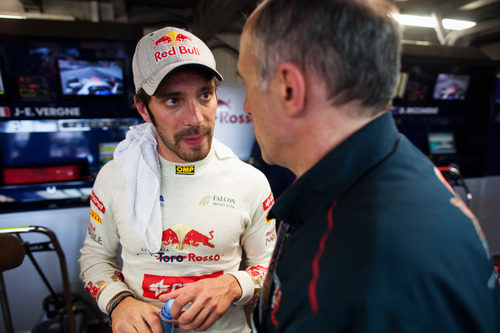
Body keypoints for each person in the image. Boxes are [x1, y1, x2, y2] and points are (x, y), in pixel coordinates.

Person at [237, 0, 500, 332]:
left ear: (289, 88)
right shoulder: (398, 172)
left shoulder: (351, 280)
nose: (246, 106)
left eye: (247, 82)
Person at [79, 26, 276, 333]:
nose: (196, 119)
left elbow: (272, 269)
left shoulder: (249, 181)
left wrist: (234, 284)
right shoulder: (116, 177)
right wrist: (118, 301)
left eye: (205, 95)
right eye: (173, 100)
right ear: (144, 109)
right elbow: (94, 256)